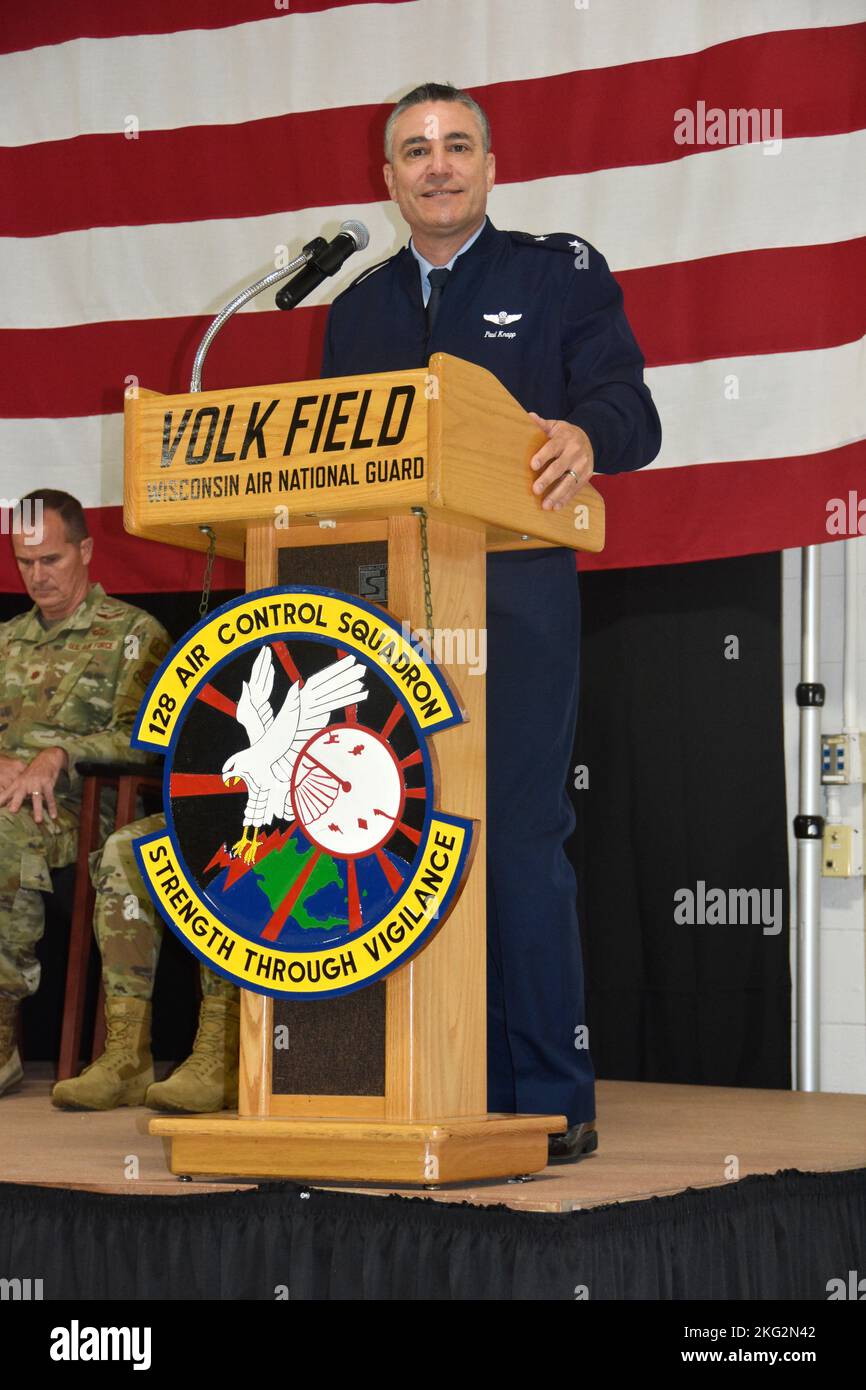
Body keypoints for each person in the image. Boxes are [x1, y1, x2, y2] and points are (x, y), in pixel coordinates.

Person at [322, 83, 662, 1162]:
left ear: (488, 163)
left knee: (515, 842)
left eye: (455, 145)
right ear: (387, 179)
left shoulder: (555, 273)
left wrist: (582, 431)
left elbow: (630, 409)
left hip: (513, 600)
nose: (436, 166)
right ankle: (417, 1080)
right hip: (384, 612)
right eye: (414, 151)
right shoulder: (357, 307)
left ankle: (548, 1093)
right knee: (382, 843)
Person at [0, 490, 170, 1097]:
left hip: (86, 814)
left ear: (86, 550)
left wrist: (60, 755)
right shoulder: (8, 639)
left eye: (51, 559)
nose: (37, 575)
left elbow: (149, 739)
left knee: (5, 835)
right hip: (11, 808)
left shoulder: (132, 633)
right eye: (24, 562)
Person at [51, 812, 239, 1113]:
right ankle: (128, 1055)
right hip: (202, 803)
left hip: (287, 821)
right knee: (125, 848)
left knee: (217, 837)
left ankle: (225, 1051)